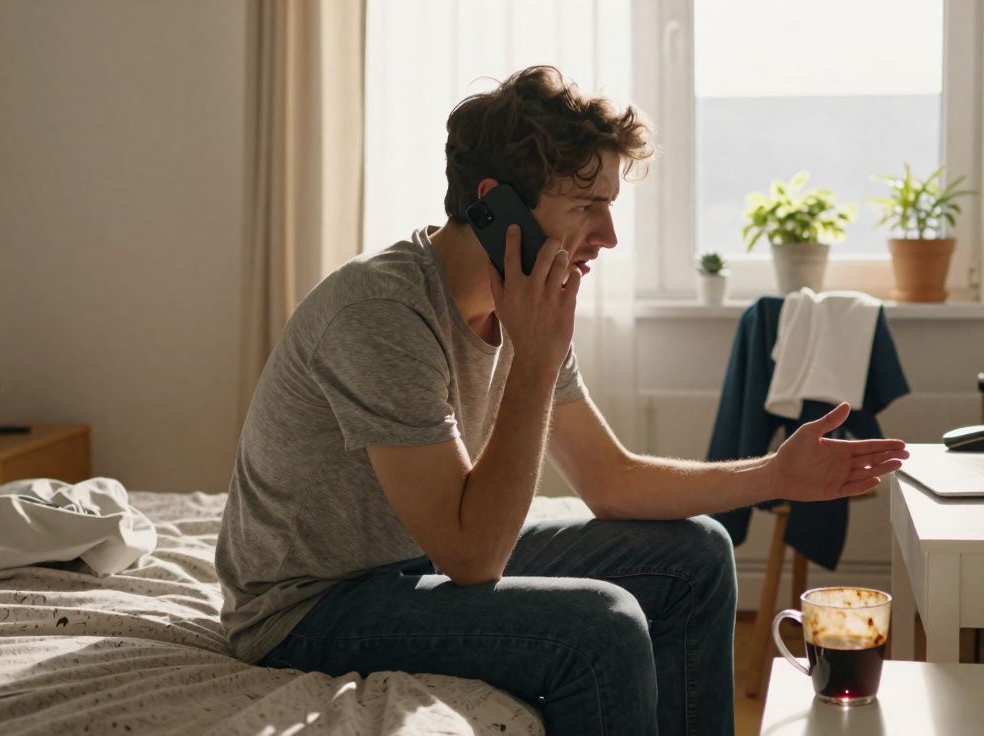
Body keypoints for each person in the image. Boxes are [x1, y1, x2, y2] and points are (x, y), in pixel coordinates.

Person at [214, 66, 909, 736]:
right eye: (587, 207)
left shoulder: (525, 299)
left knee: (698, 553)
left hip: (411, 561)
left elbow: (609, 480)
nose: (608, 237)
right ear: (497, 205)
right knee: (599, 628)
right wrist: (537, 359)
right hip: (309, 606)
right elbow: (472, 555)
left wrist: (773, 473)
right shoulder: (379, 314)